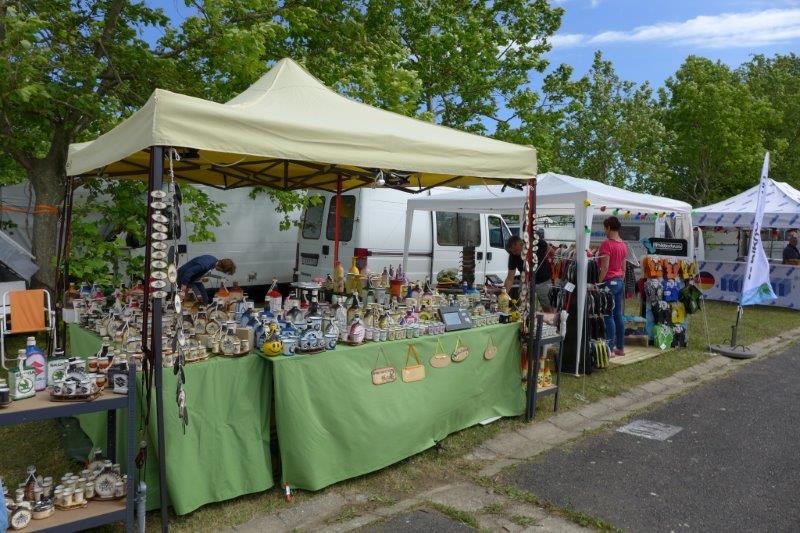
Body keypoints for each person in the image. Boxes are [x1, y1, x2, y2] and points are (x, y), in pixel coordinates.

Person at [598, 217, 628, 357]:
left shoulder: (606, 244)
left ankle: (609, 349)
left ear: (609, 228)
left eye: (605, 228)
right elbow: (624, 268)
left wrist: (598, 282)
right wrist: (620, 279)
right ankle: (620, 348)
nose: (604, 231)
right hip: (619, 281)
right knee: (618, 315)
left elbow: (604, 267)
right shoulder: (623, 244)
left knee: (607, 315)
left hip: (608, 282)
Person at [504, 231, 553, 312]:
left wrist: (553, 267)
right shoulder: (513, 255)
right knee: (522, 305)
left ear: (521, 244)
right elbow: (510, 278)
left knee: (546, 306)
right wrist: (504, 294)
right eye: (512, 251)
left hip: (543, 280)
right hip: (526, 281)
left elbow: (551, 252)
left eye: (516, 250)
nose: (514, 253)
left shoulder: (538, 243)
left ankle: (551, 319)